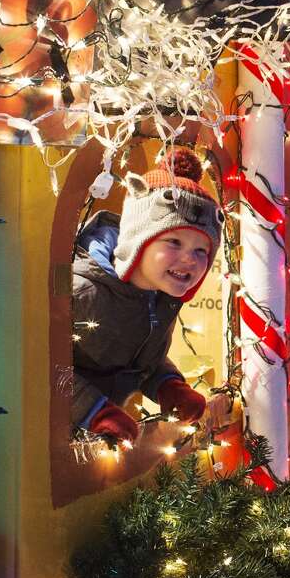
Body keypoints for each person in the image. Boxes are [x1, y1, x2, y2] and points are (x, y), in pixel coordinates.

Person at [70, 147, 225, 444]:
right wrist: (94, 411)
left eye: (200, 250)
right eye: (174, 241)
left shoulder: (160, 295)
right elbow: (42, 367)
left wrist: (168, 385)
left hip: (100, 445)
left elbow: (138, 356)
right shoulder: (84, 291)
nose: (189, 259)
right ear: (139, 241)